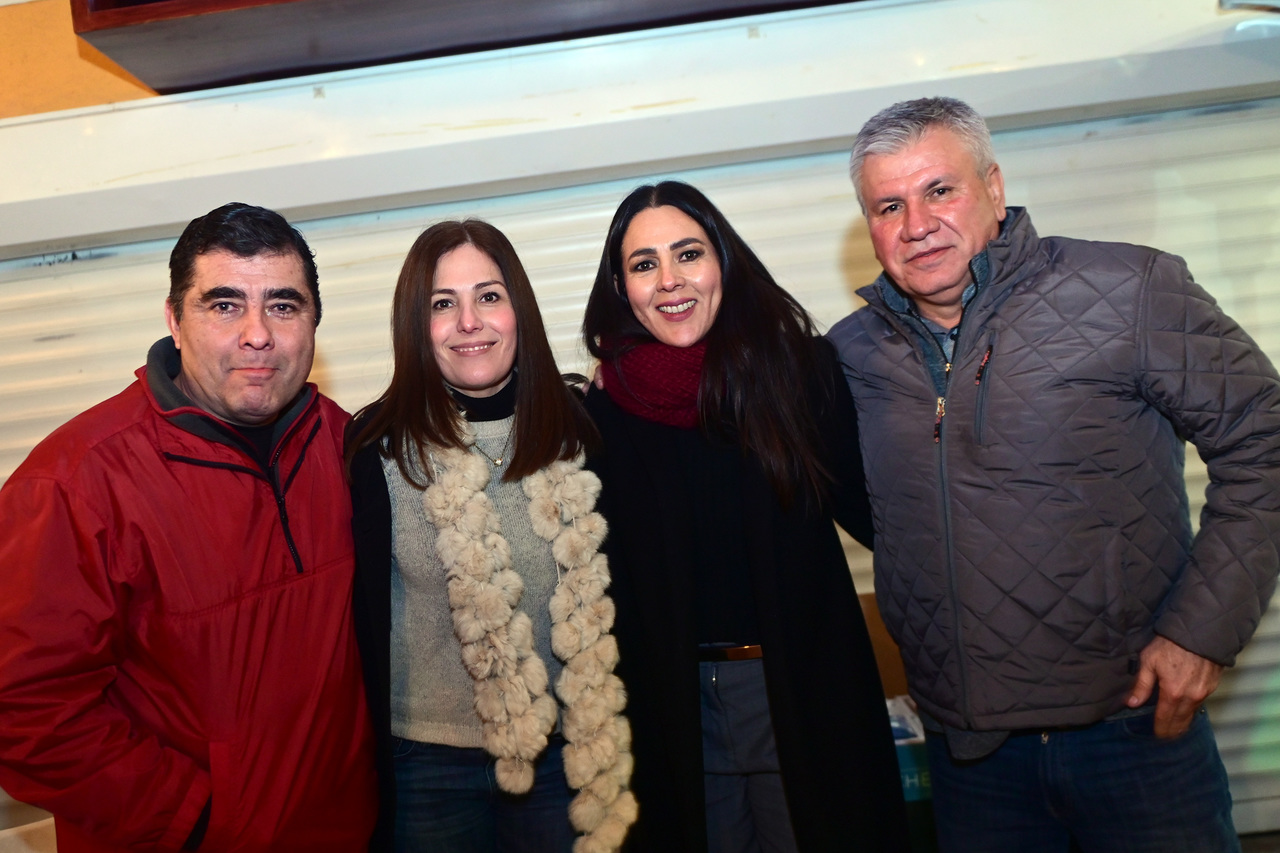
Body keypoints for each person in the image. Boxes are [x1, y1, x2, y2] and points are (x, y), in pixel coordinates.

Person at [828, 96, 1280, 853]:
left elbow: (1264, 441)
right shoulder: (852, 355)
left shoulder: (1130, 290)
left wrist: (1202, 632)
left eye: (940, 189)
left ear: (994, 189)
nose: (916, 224)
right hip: (971, 758)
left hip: (1135, 734)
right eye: (888, 205)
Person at [0, 203, 377, 851]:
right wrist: (194, 816)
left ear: (314, 322)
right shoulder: (74, 482)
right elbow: (24, 709)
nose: (257, 333)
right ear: (174, 320)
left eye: (283, 306)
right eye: (224, 305)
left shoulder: (345, 445)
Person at [582, 181, 910, 852]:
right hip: (670, 707)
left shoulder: (799, 373)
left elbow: (890, 520)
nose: (670, 281)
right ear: (621, 286)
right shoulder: (602, 411)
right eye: (644, 264)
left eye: (688, 254)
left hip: (800, 692)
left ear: (723, 262)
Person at [345, 219, 636, 853]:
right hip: (426, 768)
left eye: (489, 296)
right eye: (442, 304)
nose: (469, 321)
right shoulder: (377, 448)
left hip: (563, 757)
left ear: (518, 309)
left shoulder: (581, 427)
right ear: (414, 326)